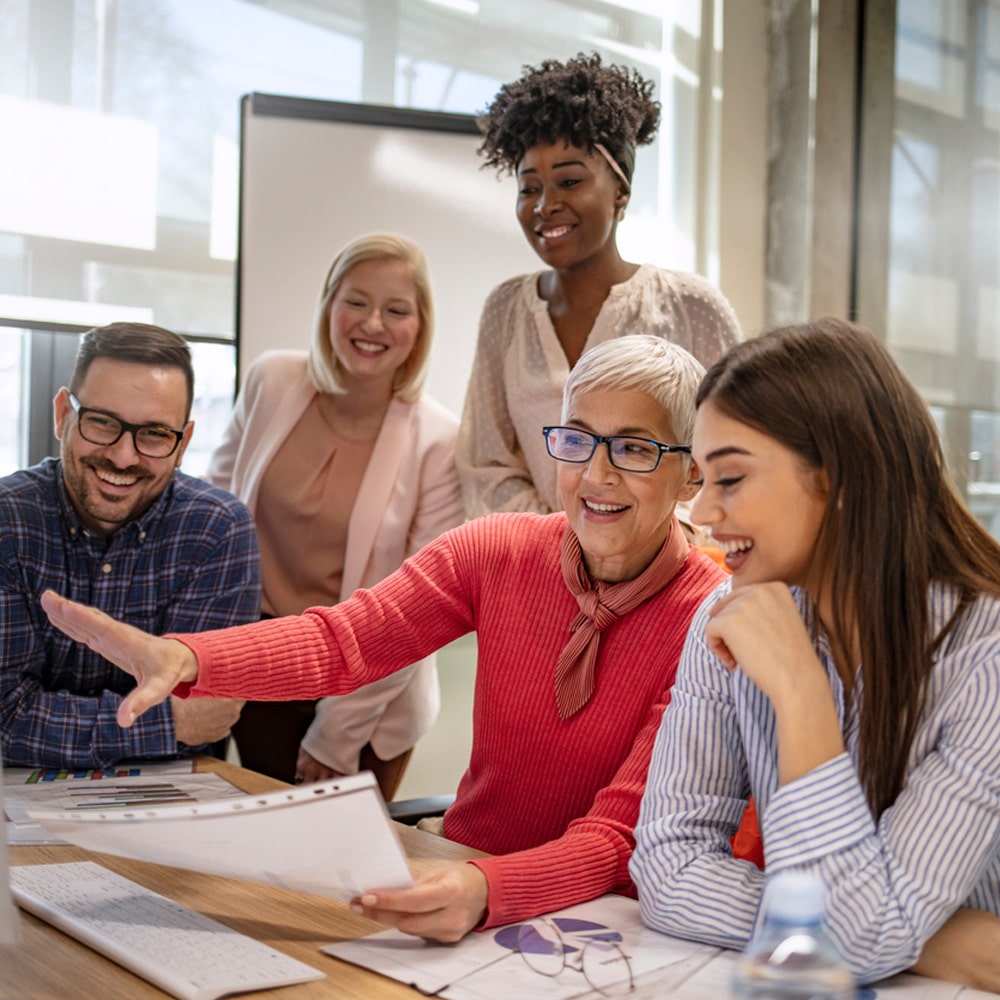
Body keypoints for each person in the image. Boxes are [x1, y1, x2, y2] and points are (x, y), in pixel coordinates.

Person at [41, 334, 740, 942]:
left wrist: (486, 890)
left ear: (690, 473)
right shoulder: (498, 550)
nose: (597, 472)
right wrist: (190, 657)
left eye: (636, 449)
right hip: (459, 878)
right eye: (577, 437)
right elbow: (343, 642)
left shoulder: (711, 621)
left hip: (600, 924)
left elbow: (619, 837)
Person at [628, 318, 1000, 988]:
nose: (703, 512)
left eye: (731, 478)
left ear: (837, 478)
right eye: (700, 479)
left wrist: (801, 694)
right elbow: (666, 869)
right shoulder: (728, 620)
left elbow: (859, 943)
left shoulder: (986, 655)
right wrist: (914, 938)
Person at [206, 232, 463, 797]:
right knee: (257, 863)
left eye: (396, 310)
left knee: (341, 875)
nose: (373, 324)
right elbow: (212, 518)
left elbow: (418, 608)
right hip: (262, 669)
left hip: (371, 694)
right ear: (328, 303)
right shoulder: (271, 379)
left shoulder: (440, 440)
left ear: (420, 328)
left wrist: (337, 734)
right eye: (356, 301)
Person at [456, 51, 742, 519]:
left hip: (669, 574)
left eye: (569, 181)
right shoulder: (506, 310)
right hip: (539, 570)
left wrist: (639, 549)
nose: (545, 205)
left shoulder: (691, 307)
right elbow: (486, 464)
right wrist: (570, 544)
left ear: (621, 192)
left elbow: (730, 455)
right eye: (529, 188)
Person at [0, 322, 259, 769]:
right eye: (102, 422)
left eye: (155, 434)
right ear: (64, 415)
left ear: (183, 444)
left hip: (168, 802)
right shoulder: (7, 521)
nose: (123, 457)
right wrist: (168, 724)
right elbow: (6, 716)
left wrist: (54, 721)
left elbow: (210, 714)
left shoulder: (218, 530)